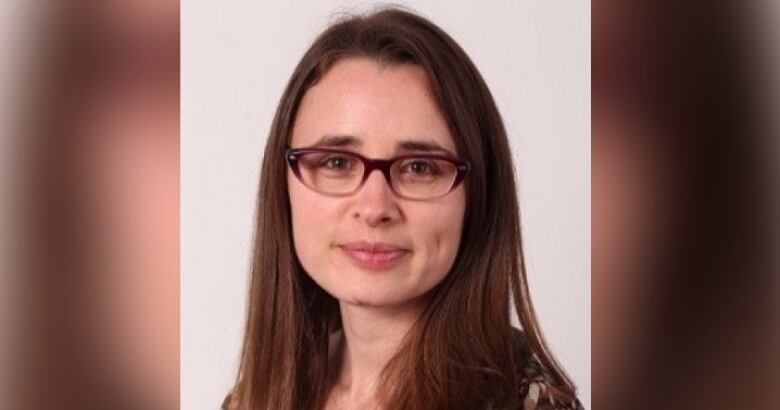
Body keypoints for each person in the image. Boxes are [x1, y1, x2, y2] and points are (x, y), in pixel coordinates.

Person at [225, 7, 582, 410]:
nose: (375, 207)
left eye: (419, 168)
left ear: (477, 196)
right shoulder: (255, 397)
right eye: (336, 162)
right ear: (282, 184)